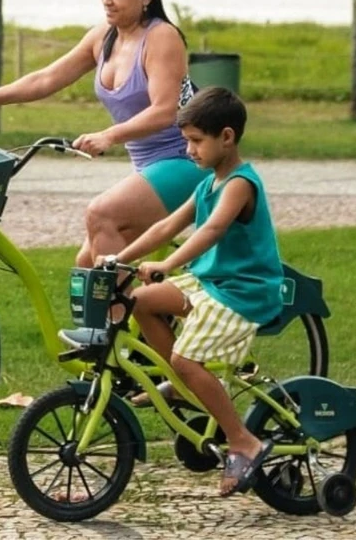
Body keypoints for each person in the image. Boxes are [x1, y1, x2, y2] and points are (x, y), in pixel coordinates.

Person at [77, 87, 284, 497]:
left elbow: (210, 231)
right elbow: (163, 228)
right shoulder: (209, 182)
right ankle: (185, 382)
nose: (189, 150)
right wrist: (118, 259)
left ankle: (242, 439)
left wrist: (166, 264)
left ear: (227, 137)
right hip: (211, 282)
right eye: (186, 140)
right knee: (138, 300)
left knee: (186, 357)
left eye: (195, 141)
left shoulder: (239, 184)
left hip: (242, 291)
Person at [0, 0, 205, 267]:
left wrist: (109, 136)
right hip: (148, 168)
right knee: (87, 263)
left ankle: (111, 315)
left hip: (185, 161)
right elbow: (46, 79)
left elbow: (165, 110)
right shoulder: (103, 37)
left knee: (101, 213)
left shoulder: (162, 38)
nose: (106, 0)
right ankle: (133, 311)